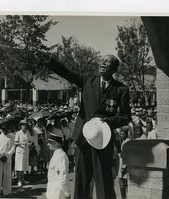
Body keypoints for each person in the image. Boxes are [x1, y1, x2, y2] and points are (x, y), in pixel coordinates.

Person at [45, 54, 131, 199]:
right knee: (82, 180)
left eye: (107, 62)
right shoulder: (87, 81)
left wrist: (108, 122)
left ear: (114, 68)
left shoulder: (121, 89)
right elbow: (68, 74)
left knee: (104, 180)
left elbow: (126, 116)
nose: (102, 63)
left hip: (103, 139)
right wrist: (50, 62)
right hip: (83, 138)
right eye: (102, 60)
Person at [46, 133, 71, 199]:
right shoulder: (56, 154)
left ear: (56, 144)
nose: (48, 144)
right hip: (52, 191)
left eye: (50, 142)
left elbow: (63, 176)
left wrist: (67, 193)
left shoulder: (61, 156)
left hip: (58, 192)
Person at [0, 123, 15, 195]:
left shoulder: (11, 137)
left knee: (7, 175)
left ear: (8, 129)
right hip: (0, 158)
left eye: (6, 129)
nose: (4, 131)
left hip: (7, 158)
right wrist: (1, 156)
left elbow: (13, 148)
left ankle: (6, 190)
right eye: (3, 129)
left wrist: (7, 156)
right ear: (1, 130)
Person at [14, 119, 31, 187]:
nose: (24, 126)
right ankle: (19, 180)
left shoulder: (27, 132)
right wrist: (22, 143)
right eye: (23, 125)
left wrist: (29, 143)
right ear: (20, 126)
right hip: (20, 151)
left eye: (25, 125)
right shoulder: (18, 133)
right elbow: (15, 142)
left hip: (26, 151)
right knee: (19, 166)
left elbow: (29, 141)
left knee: (24, 165)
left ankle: (23, 179)